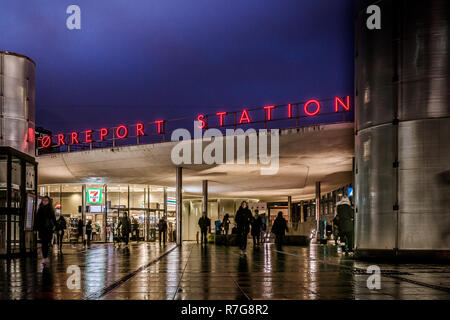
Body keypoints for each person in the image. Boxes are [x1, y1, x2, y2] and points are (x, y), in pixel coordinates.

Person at [34, 196, 56, 265]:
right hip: (42, 229)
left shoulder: (51, 210)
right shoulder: (40, 209)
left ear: (49, 201)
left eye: (46, 200)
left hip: (49, 229)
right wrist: (35, 229)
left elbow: (54, 219)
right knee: (44, 243)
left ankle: (46, 256)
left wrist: (57, 228)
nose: (45, 202)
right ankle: (45, 257)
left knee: (47, 243)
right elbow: (37, 220)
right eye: (44, 200)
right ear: (42, 201)